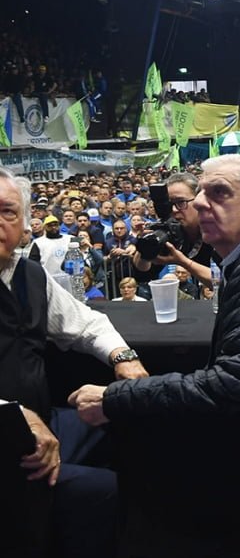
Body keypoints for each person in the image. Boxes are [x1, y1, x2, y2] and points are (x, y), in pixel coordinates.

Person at [68, 154, 240, 506]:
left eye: (219, 192)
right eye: (201, 192)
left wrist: (118, 398)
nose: (200, 203)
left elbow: (238, 384)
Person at [0, 167, 148, 558]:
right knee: (104, 492)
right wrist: (12, 414)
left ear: (25, 223)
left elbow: (85, 324)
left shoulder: (29, 274)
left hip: (42, 417)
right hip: (11, 435)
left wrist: (124, 357)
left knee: (131, 422)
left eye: (7, 211)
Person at [129, 172, 217, 288]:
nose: (174, 210)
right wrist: (145, 248)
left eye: (181, 202)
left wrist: (183, 262)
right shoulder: (169, 231)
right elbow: (143, 273)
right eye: (169, 204)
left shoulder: (218, 231)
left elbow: (223, 281)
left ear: (199, 201)